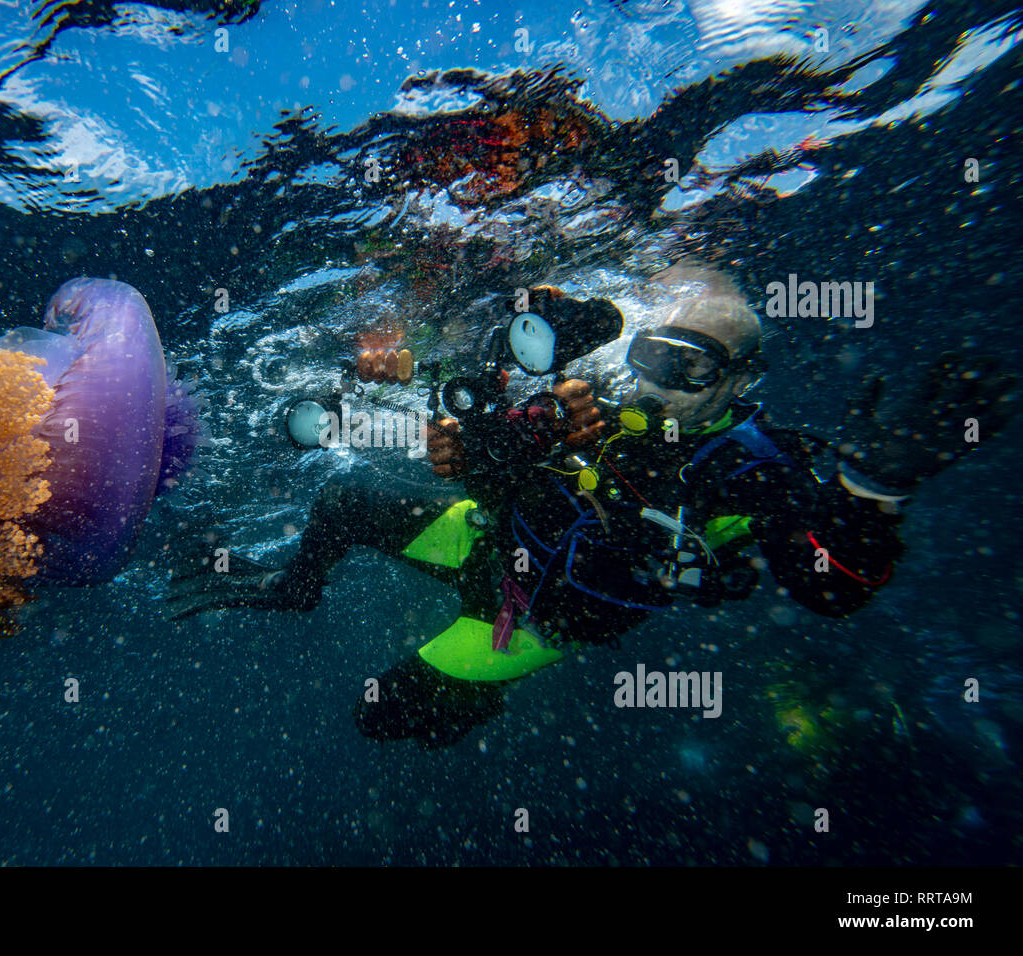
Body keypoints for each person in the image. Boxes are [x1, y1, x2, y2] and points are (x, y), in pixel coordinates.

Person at [166, 282, 1017, 749]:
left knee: (379, 715)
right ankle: (295, 588)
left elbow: (829, 589)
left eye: (687, 371)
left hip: (544, 614)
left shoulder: (755, 468)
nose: (651, 384)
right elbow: (487, 448)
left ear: (737, 384)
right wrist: (488, 447)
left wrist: (876, 487)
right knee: (348, 498)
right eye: (649, 356)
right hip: (493, 542)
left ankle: (474, 705)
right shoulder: (597, 400)